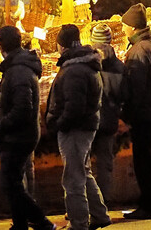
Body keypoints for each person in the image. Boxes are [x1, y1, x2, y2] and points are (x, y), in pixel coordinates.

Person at [46, 24, 109, 230]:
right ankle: (99, 215)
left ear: (61, 46)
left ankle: (78, 223)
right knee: (83, 171)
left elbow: (74, 107)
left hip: (75, 129)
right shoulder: (84, 64)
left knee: (73, 178)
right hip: (85, 126)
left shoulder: (74, 70)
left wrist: (59, 123)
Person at [0, 26, 54, 230]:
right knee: (14, 183)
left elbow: (22, 108)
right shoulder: (17, 67)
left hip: (18, 135)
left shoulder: (18, 71)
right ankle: (20, 225)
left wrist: (2, 125)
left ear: (2, 46)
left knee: (11, 184)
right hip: (21, 134)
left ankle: (41, 222)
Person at [120, 3, 151, 220]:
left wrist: (127, 115)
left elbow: (135, 88)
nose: (122, 30)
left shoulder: (137, 51)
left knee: (144, 161)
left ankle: (148, 206)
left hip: (146, 113)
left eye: (124, 26)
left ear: (132, 27)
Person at [88, 23, 126, 204]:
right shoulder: (118, 66)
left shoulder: (88, 64)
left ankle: (87, 205)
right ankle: (103, 204)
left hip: (89, 120)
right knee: (105, 165)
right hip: (109, 119)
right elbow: (123, 95)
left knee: (84, 166)